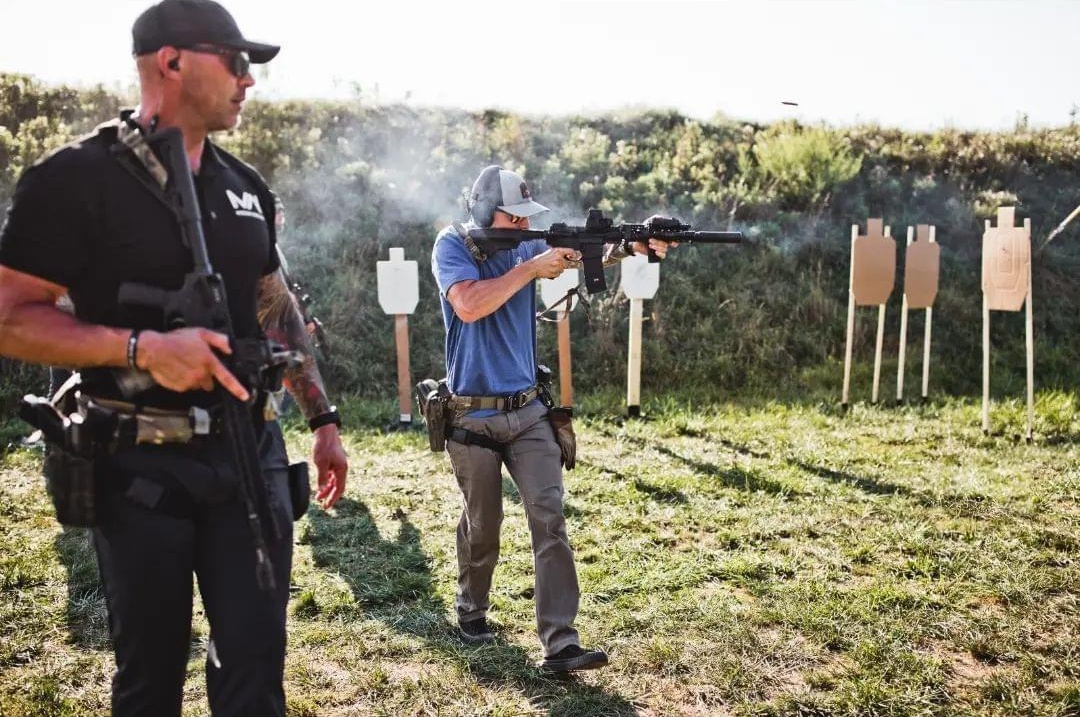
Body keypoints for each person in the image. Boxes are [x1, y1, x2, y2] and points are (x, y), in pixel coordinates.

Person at [0, 0, 348, 714]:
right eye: (238, 62)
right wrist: (139, 349)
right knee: (149, 682)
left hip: (248, 459)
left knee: (254, 680)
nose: (250, 82)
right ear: (173, 61)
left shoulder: (246, 187)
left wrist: (324, 419)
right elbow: (8, 316)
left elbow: (274, 305)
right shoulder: (74, 180)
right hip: (138, 471)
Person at [430, 165, 676, 672]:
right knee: (484, 525)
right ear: (480, 209)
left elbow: (587, 251)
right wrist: (529, 269)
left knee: (551, 519)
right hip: (470, 417)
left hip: (527, 411)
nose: (522, 227)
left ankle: (560, 643)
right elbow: (470, 306)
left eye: (526, 218)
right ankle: (471, 611)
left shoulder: (525, 246)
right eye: (511, 217)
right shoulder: (453, 245)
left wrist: (634, 243)